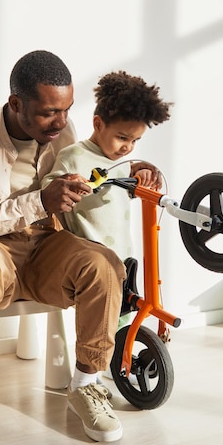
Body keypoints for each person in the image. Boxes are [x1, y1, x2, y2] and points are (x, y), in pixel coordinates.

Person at [0, 50, 162, 445]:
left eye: (67, 110)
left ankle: (87, 384)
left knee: (104, 264)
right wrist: (39, 201)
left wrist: (130, 171)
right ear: (16, 104)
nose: (61, 122)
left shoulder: (64, 131)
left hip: (45, 246)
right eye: (49, 112)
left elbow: (91, 170)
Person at [41, 70, 172, 343]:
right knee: (98, 314)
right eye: (123, 138)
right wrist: (68, 182)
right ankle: (93, 366)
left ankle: (119, 361)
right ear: (98, 124)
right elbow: (49, 188)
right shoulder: (74, 155)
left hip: (124, 252)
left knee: (125, 311)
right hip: (91, 253)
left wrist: (143, 176)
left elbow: (131, 187)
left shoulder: (123, 163)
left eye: (135, 141)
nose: (128, 147)